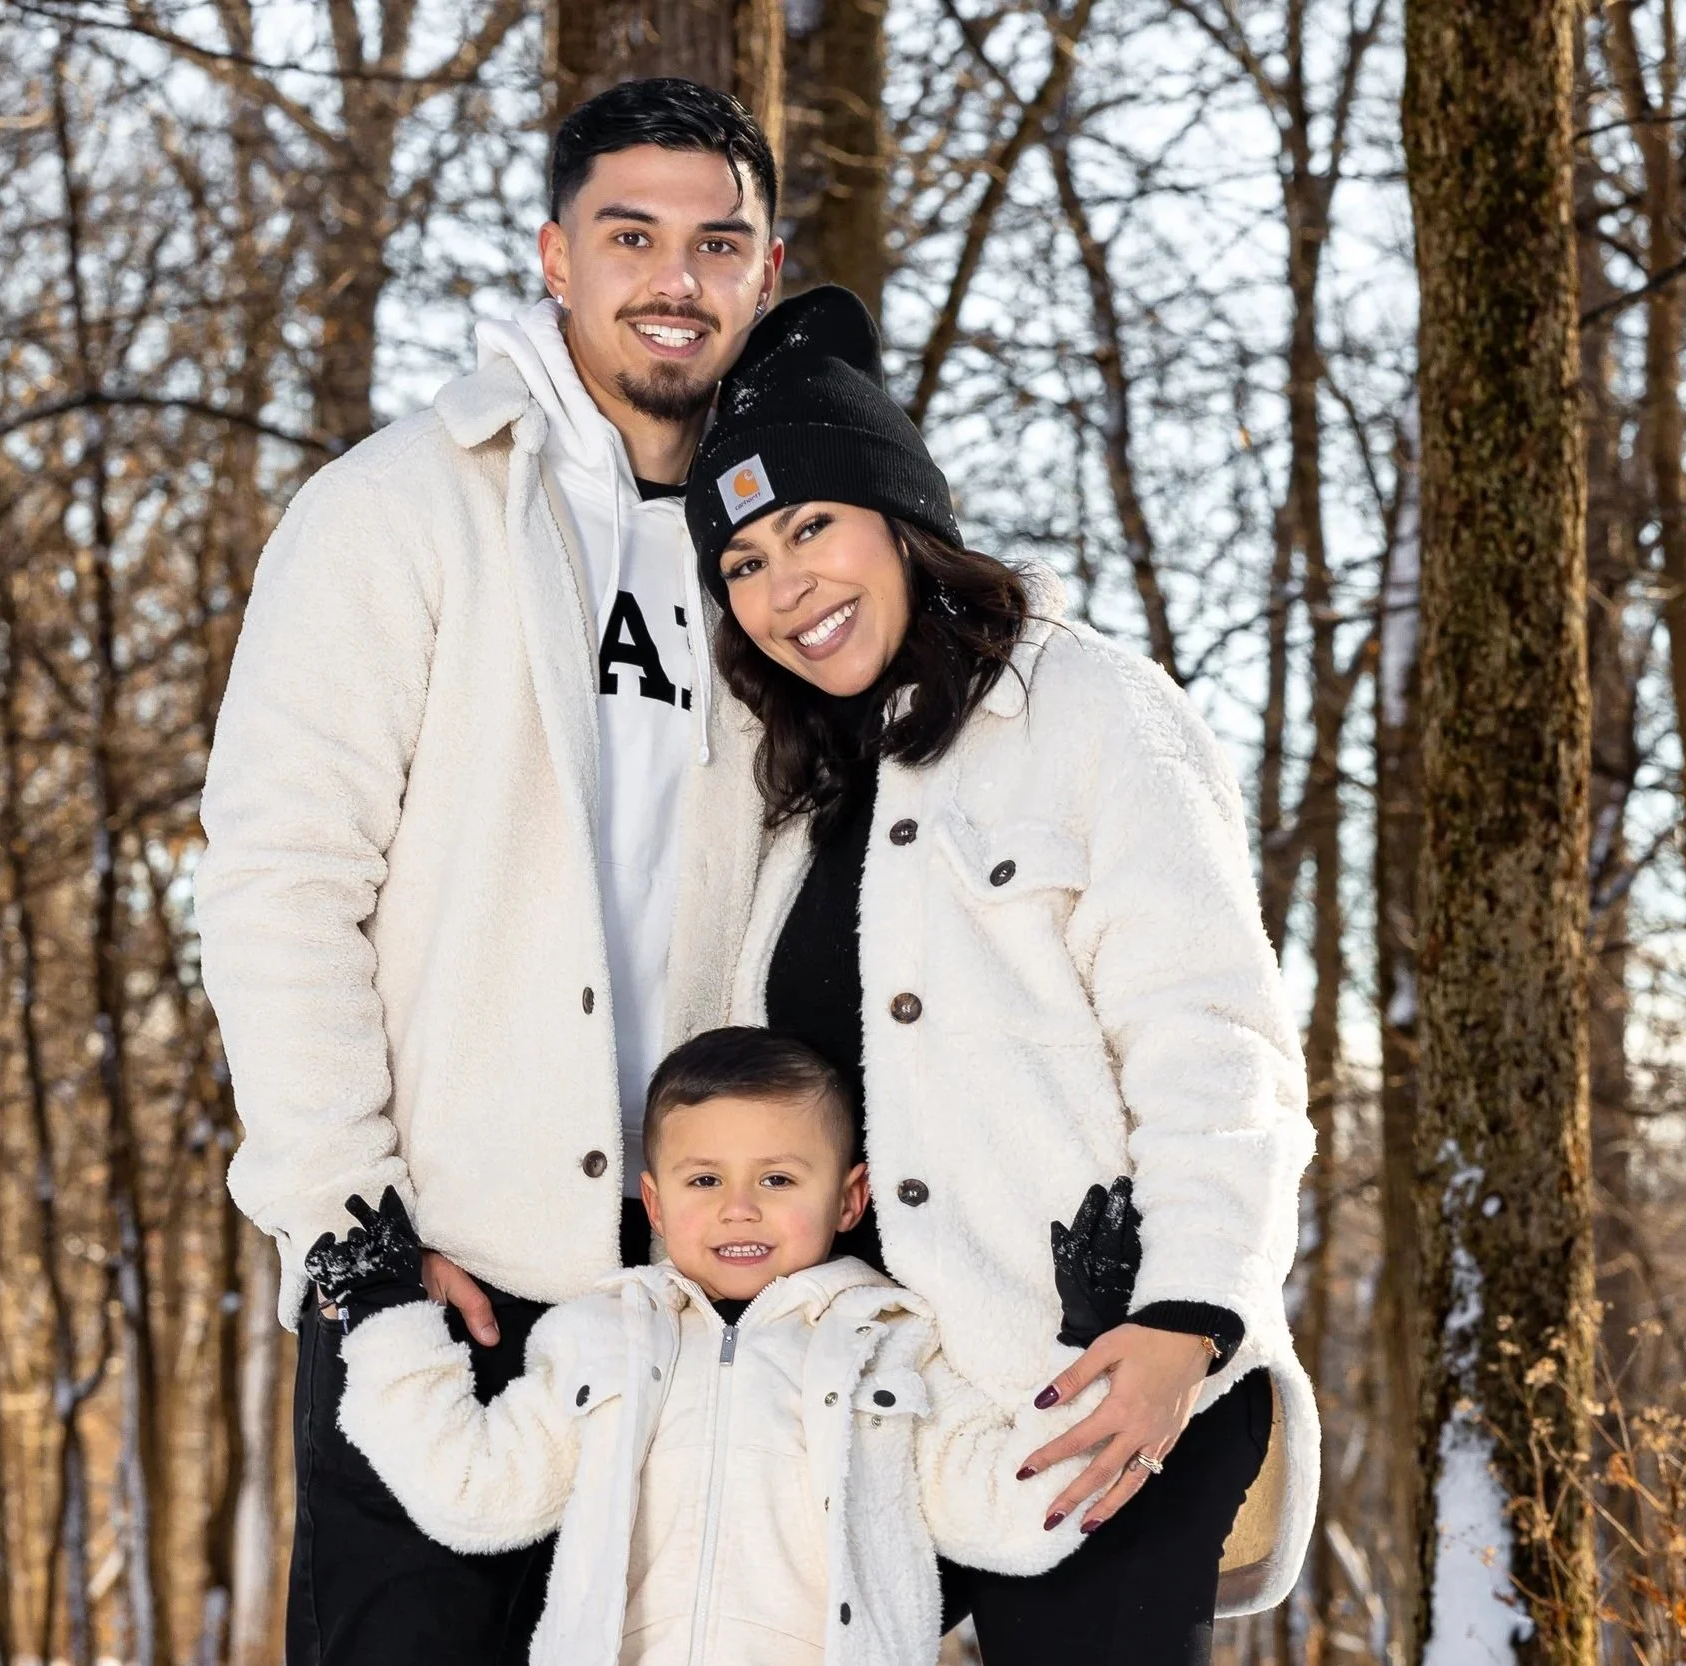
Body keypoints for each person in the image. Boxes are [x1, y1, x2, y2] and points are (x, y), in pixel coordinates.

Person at [194, 79, 783, 1665]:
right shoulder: (396, 512)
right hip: (446, 1292)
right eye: (632, 235)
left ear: (768, 272)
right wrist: (354, 1233)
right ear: (555, 256)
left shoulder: (795, 559)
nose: (677, 278)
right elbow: (278, 885)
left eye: (717, 242)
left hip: (709, 1300)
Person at [686, 285, 1320, 1666]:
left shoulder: (1089, 711)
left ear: (901, 516)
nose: (785, 584)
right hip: (882, 1403)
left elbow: (1215, 1036)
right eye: (740, 562)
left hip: (1103, 1375)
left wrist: (1187, 1316)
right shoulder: (796, 802)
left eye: (810, 526)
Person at [311, 1026, 1143, 1666]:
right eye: (704, 1180)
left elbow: (1016, 1520)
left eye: (778, 1179)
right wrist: (387, 1320)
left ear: (851, 1198)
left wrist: (1085, 1339)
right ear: (657, 1202)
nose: (738, 1208)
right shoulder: (595, 1337)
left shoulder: (895, 1348)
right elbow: (472, 1492)